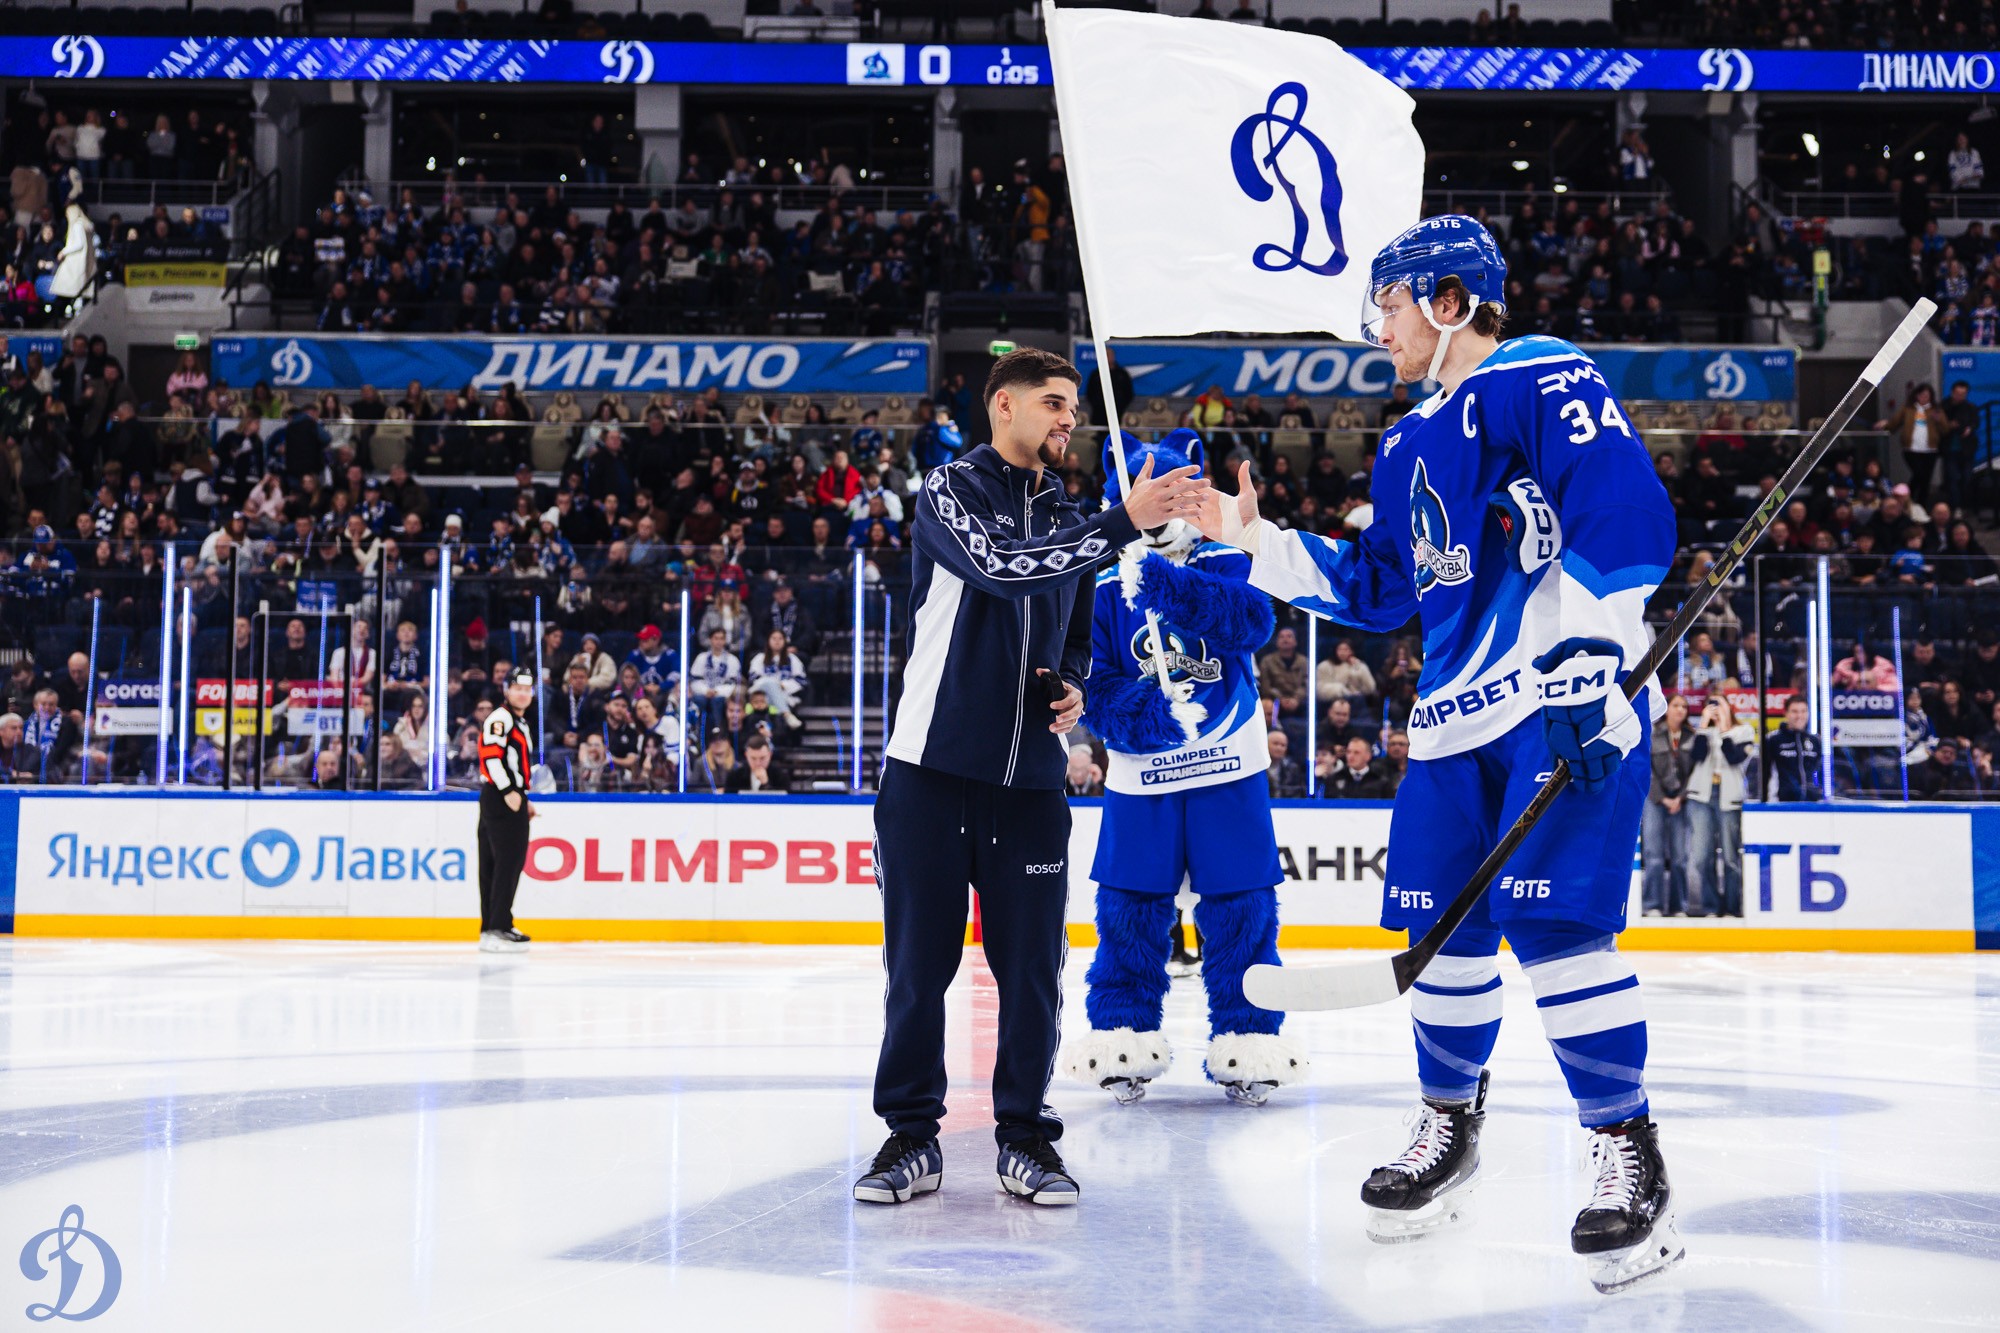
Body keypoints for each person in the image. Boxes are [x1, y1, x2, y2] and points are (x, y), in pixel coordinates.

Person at [1188, 216, 1683, 1288]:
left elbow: (1621, 503)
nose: (1378, 329)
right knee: (1436, 939)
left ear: (1448, 302)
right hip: (1451, 726)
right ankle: (1448, 1125)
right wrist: (1251, 540)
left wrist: (1594, 651)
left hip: (1554, 701)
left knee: (1556, 932)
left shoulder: (1537, 372)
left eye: (1390, 304)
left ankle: (1626, 1149)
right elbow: (1379, 588)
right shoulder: (1408, 439)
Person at [856, 347, 1204, 1209]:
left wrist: (1075, 683)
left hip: (1032, 784)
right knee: (918, 970)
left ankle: (1024, 1136)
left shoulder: (1069, 512)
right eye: (1052, 402)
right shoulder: (949, 490)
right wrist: (1121, 523)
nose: (1068, 419)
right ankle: (911, 1135)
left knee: (1032, 975)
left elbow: (1075, 629)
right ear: (1002, 405)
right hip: (930, 771)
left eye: (1072, 406)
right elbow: (1003, 568)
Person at [1062, 428, 1303, 1110]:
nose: (1162, 511)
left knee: (1241, 904)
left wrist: (1164, 583)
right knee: (1130, 906)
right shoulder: (1098, 584)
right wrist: (1148, 715)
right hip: (1144, 777)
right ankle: (1124, 1028)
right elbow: (1093, 685)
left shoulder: (1222, 557)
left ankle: (1248, 1033)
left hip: (1228, 765)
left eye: (1174, 497)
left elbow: (1251, 623)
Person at [475, 668, 538, 953]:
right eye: (518, 688)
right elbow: (491, 758)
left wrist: (523, 796)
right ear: (507, 690)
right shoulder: (501, 718)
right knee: (506, 863)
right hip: (500, 796)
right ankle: (498, 926)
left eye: (527, 689)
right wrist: (509, 791)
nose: (523, 694)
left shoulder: (517, 721)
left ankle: (494, 926)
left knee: (497, 863)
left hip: (505, 795)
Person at [1686, 695, 1753, 917]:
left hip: (1730, 797)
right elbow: (1696, 755)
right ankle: (1712, 905)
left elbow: (1734, 758)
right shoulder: (1702, 732)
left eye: (1719, 704)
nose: (1714, 709)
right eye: (1710, 705)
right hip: (1701, 796)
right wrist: (1704, 725)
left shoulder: (1743, 731)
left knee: (1731, 856)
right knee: (1701, 856)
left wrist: (1724, 729)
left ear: (1729, 707)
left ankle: (1733, 906)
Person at [1642, 694, 1695, 916]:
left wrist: (1680, 798)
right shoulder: (1653, 733)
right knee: (1653, 854)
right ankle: (1652, 904)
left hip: (1681, 801)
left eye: (1684, 706)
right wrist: (1662, 798)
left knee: (1680, 857)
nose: (1680, 710)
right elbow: (1647, 768)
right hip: (1655, 799)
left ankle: (1678, 906)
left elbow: (1695, 771)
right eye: (1676, 705)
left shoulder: (1692, 736)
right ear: (1667, 708)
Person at [1763, 695, 1824, 802]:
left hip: (1812, 802)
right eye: (1794, 711)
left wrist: (1817, 791)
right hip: (1781, 803)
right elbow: (1764, 773)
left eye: (1803, 711)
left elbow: (1820, 771)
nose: (1799, 716)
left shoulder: (1815, 740)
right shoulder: (1773, 739)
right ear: (1786, 713)